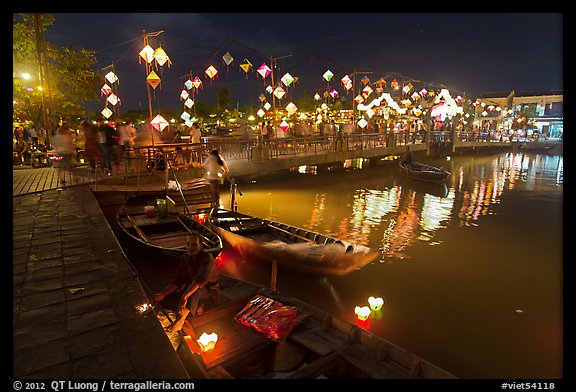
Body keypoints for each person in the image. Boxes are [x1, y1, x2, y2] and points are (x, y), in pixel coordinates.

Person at [154, 232, 220, 334]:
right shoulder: (185, 257)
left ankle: (181, 320)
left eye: (194, 245)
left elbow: (200, 281)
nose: (190, 247)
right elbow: (178, 280)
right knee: (164, 299)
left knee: (195, 291)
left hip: (208, 293)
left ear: (201, 246)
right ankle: (193, 306)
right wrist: (163, 294)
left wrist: (184, 297)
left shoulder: (207, 257)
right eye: (188, 244)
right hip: (189, 291)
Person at [51, 121, 75, 186]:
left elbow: (54, 141)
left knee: (61, 166)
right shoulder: (69, 133)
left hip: (61, 151)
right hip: (67, 151)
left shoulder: (59, 133)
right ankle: (73, 177)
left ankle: (62, 179)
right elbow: (71, 142)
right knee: (68, 164)